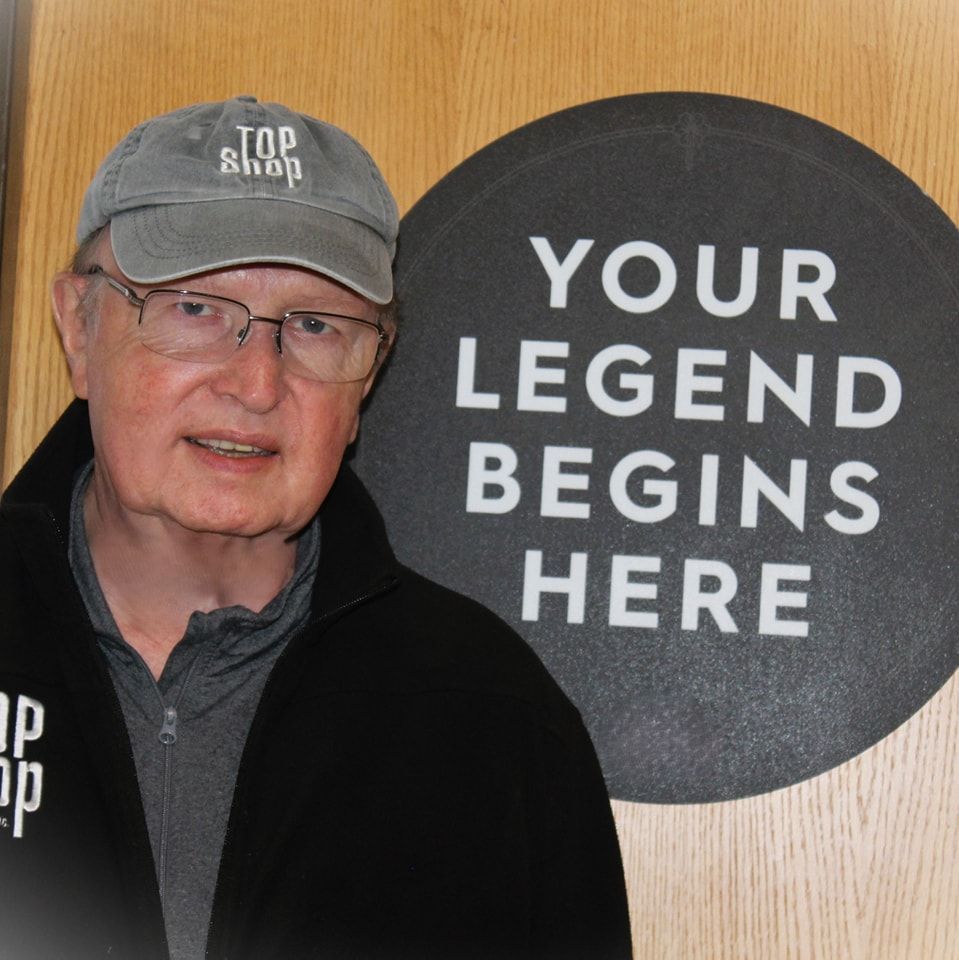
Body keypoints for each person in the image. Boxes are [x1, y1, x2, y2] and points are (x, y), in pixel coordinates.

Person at [0, 96, 632, 960]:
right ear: (80, 325)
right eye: (194, 307)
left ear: (369, 372)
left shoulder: (493, 725)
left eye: (314, 326)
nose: (256, 383)